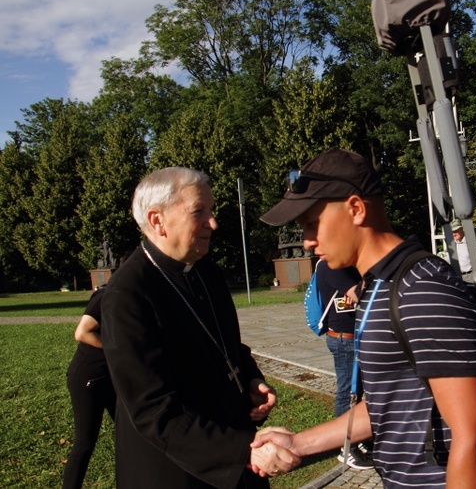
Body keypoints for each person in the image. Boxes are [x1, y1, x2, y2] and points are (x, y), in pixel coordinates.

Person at [256, 148, 476, 487]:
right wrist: (298, 444)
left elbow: (475, 439)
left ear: (355, 209)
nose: (307, 241)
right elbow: (390, 402)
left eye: (312, 224)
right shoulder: (379, 285)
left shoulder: (422, 289)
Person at [101, 167, 298, 488]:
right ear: (157, 220)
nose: (213, 222)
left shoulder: (206, 271)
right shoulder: (127, 295)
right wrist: (242, 451)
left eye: (211, 210)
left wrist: (250, 378)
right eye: (199, 212)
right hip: (176, 469)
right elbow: (154, 411)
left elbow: (228, 346)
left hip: (235, 447)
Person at [313, 259, 373, 470]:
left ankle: (360, 438)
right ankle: (346, 448)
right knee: (348, 393)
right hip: (344, 338)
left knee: (357, 393)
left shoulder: (345, 266)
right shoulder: (331, 264)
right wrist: (363, 284)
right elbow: (363, 295)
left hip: (351, 337)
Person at [63, 286, 116, 489]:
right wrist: (119, 349)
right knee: (84, 443)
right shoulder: (106, 295)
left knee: (130, 432)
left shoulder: (134, 296)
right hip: (89, 377)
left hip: (110, 378)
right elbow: (82, 333)